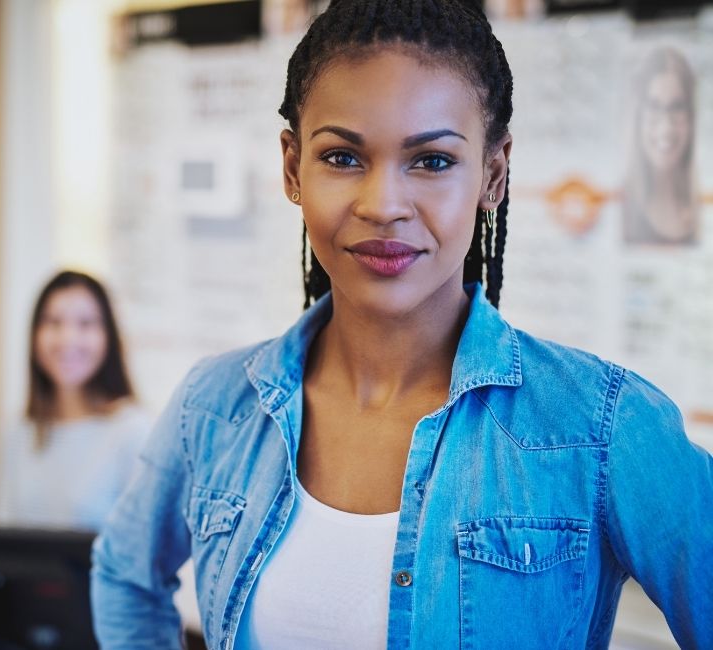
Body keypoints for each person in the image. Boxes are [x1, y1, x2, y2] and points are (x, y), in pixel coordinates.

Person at [91, 2, 713, 649]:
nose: (384, 205)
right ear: (291, 167)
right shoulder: (215, 405)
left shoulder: (600, 425)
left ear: (493, 173)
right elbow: (124, 576)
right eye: (342, 157)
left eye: (433, 161)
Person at [0, 270, 151, 531]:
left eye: (86, 324)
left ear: (108, 337)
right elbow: (1, 535)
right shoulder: (17, 430)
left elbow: (143, 552)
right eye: (53, 322)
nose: (68, 338)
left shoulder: (132, 431)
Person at [623, 47, 700, 246]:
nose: (666, 126)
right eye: (654, 106)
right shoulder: (618, 207)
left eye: (677, 107)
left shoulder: (703, 207)